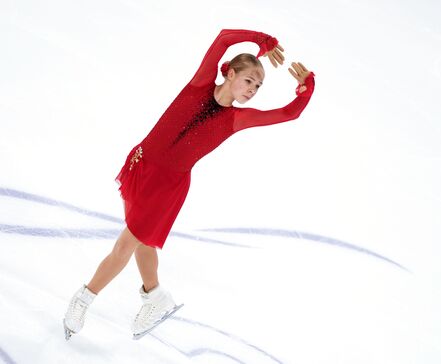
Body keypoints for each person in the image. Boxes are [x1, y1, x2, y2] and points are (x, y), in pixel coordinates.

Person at [63, 28, 316, 339]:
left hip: (167, 186)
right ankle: (156, 297)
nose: (253, 89)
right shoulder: (199, 84)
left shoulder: (236, 119)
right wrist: (262, 40)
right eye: (249, 80)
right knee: (142, 240)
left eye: (258, 86)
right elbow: (224, 38)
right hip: (141, 165)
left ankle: (83, 299)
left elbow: (288, 113)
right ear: (231, 73)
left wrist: (307, 87)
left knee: (125, 245)